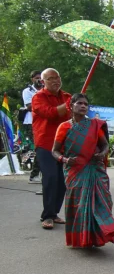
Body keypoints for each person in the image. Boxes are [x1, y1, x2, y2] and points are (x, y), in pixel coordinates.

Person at [51, 94, 114, 248]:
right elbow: (54, 151)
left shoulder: (94, 125)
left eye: (86, 104)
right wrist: (65, 160)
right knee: (79, 205)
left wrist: (101, 154)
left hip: (95, 168)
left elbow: (105, 145)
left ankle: (97, 237)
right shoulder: (64, 127)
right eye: (80, 103)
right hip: (74, 170)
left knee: (103, 201)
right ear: (71, 106)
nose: (83, 106)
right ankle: (80, 239)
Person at [31, 68, 71, 230]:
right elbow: (51, 113)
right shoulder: (38, 97)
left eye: (57, 77)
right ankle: (47, 215)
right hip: (45, 144)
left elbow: (73, 116)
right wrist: (69, 105)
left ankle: (54, 213)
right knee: (50, 178)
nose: (55, 81)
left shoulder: (67, 96)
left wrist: (78, 104)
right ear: (43, 82)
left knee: (62, 181)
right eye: (51, 78)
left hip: (64, 144)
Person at [21, 70, 42, 183]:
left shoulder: (45, 89)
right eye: (37, 78)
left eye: (41, 77)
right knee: (40, 148)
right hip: (31, 123)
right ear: (32, 79)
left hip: (44, 122)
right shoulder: (28, 91)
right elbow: (30, 107)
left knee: (45, 147)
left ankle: (41, 173)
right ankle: (34, 175)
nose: (39, 79)